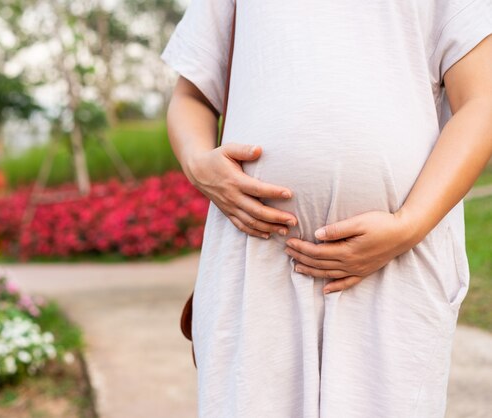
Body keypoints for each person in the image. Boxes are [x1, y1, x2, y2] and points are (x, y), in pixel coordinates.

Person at [160, 1, 492, 417]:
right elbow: (191, 96)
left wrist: (408, 225)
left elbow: (481, 102)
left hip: (397, 264)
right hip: (253, 262)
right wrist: (196, 162)